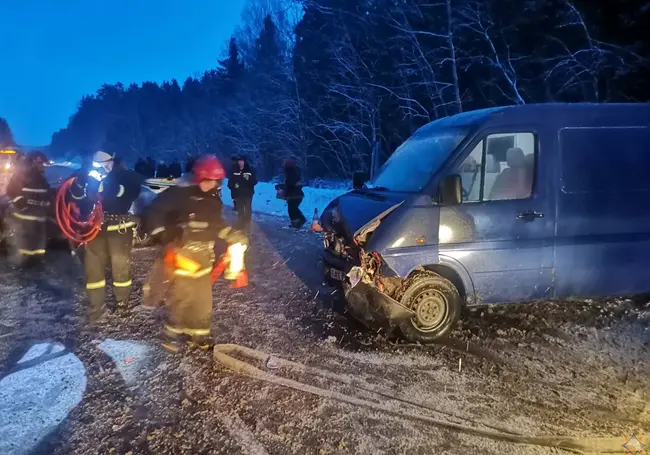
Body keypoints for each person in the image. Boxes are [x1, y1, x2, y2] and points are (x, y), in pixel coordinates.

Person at [141, 155, 247, 351]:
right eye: (207, 180)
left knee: (202, 299)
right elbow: (153, 212)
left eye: (214, 181)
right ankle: (171, 334)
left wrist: (232, 234)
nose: (211, 184)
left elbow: (215, 224)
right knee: (182, 296)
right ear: (198, 177)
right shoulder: (180, 193)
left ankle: (198, 335)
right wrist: (164, 235)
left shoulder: (213, 198)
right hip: (181, 253)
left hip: (205, 256)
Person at [72, 150, 144, 324]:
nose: (103, 169)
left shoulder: (126, 176)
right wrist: (80, 182)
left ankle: (122, 302)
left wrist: (105, 184)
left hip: (119, 228)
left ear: (112, 162)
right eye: (99, 166)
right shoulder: (92, 178)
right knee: (93, 266)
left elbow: (126, 193)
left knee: (120, 266)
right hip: (95, 228)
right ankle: (96, 305)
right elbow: (78, 198)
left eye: (106, 165)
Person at [4, 151, 51, 265]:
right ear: (34, 162)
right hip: (25, 216)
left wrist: (48, 202)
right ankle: (23, 262)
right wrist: (22, 205)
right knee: (26, 240)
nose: (42, 166)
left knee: (38, 241)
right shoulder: (22, 174)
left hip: (39, 215)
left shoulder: (41, 177)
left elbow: (45, 192)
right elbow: (11, 190)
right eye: (40, 163)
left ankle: (36, 261)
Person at [228, 156, 257, 230]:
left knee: (247, 208)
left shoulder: (250, 170)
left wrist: (248, 180)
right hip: (238, 193)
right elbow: (230, 182)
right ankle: (240, 223)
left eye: (242, 161)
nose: (240, 163)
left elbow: (255, 181)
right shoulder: (234, 171)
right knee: (240, 209)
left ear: (245, 162)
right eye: (239, 161)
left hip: (248, 193)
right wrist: (234, 185)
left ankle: (247, 222)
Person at [283, 157, 306, 228]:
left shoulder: (291, 172)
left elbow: (291, 183)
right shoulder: (293, 171)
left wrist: (284, 188)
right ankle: (300, 220)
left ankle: (297, 222)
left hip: (294, 194)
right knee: (293, 208)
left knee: (292, 209)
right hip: (295, 194)